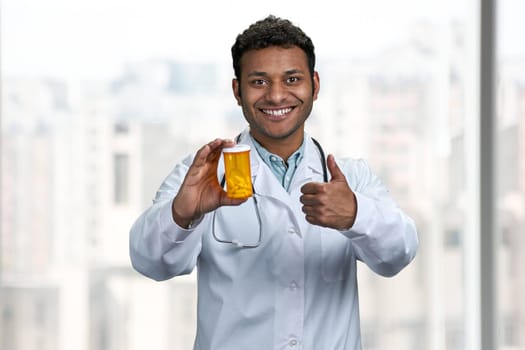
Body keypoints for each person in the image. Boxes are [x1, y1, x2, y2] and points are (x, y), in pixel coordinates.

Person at [130, 15, 418, 350]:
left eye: (292, 79)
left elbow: (398, 254)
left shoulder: (351, 178)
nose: (277, 95)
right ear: (237, 91)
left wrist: (356, 214)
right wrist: (182, 215)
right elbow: (150, 262)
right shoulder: (202, 175)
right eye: (259, 82)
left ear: (315, 84)